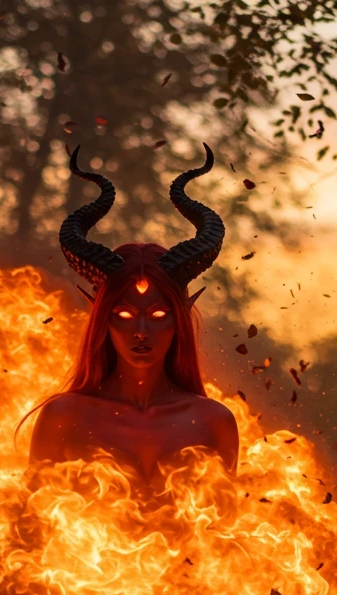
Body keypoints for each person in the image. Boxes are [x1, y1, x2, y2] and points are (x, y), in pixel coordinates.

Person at [25, 144, 239, 482]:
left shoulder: (214, 421)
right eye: (124, 315)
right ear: (102, 320)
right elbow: (31, 523)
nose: (141, 331)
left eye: (157, 316)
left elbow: (227, 526)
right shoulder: (63, 416)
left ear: (179, 321)